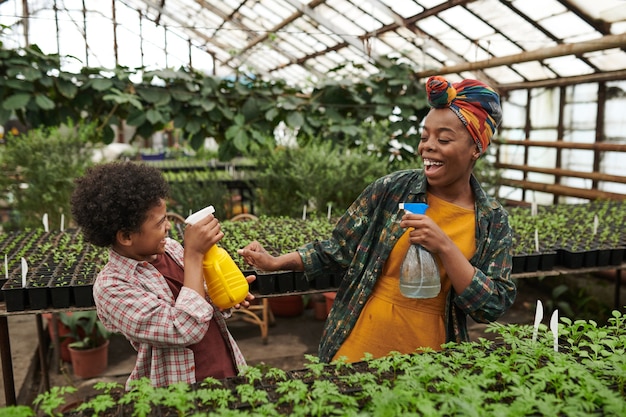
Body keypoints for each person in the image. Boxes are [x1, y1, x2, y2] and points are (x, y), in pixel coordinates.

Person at [238, 75, 517, 363]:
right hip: (360, 339)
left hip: (431, 356)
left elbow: (492, 304)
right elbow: (339, 249)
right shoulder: (391, 190)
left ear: (476, 148)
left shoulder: (491, 221)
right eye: (424, 137)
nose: (427, 147)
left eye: (443, 139)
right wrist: (276, 262)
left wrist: (445, 247)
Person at [71, 161, 255, 388]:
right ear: (126, 237)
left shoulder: (171, 249)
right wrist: (194, 255)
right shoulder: (112, 287)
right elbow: (183, 329)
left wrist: (224, 294)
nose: (168, 227)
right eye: (160, 223)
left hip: (227, 369)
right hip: (178, 393)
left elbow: (197, 300)